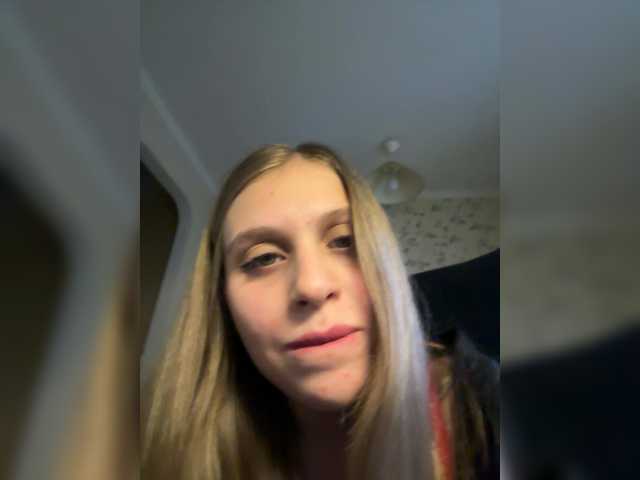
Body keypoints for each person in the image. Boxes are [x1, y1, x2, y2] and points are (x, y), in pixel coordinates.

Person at [142, 143, 496, 479]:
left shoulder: (485, 401)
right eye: (263, 258)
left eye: (344, 241)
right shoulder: (170, 444)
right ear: (222, 305)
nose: (311, 287)